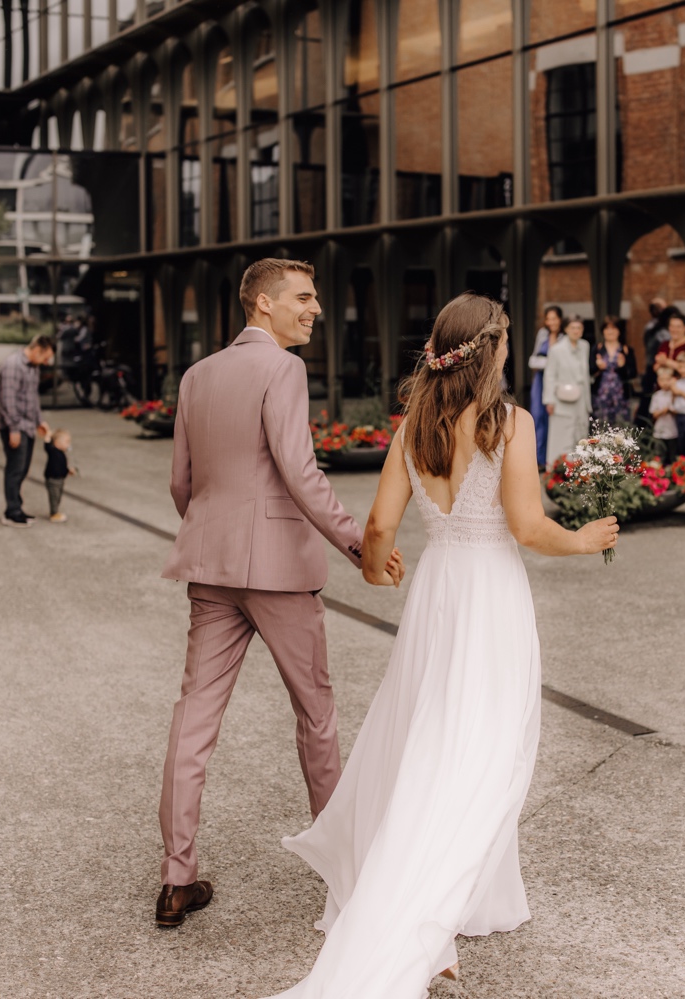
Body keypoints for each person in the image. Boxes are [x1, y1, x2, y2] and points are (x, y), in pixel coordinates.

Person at [267, 293, 617, 998]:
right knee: (483, 749)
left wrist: (376, 569)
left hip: (436, 593)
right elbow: (526, 524)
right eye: (508, 340)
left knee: (432, 736)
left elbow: (378, 528)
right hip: (488, 594)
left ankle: (475, 894)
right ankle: (428, 909)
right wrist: (584, 540)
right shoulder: (508, 423)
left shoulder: (414, 425)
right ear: (490, 350)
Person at [155, 258, 404, 928]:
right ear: (262, 303)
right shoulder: (283, 370)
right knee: (316, 716)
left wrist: (214, 530)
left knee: (194, 718)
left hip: (210, 568)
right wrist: (361, 545)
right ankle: (345, 875)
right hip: (278, 575)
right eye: (304, 296)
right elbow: (299, 470)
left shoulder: (198, 375)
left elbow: (182, 483)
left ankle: (177, 877)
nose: (316, 307)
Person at [0, 334, 55, 527]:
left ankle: (17, 507)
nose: (46, 362)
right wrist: (13, 429)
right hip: (14, 427)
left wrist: (39, 420)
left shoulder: (33, 367)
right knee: (15, 468)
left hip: (27, 425)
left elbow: (32, 397)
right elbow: (8, 400)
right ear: (37, 350)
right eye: (45, 357)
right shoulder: (13, 365)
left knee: (23, 468)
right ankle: (11, 512)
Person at [542, 316, 592, 468]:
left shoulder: (585, 346)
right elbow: (550, 375)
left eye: (579, 328)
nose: (576, 331)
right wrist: (549, 400)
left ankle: (580, 471)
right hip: (562, 400)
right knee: (560, 436)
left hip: (581, 398)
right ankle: (558, 471)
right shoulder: (556, 349)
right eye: (573, 328)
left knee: (580, 435)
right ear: (566, 329)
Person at [528, 305, 563, 468]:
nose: (551, 322)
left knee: (554, 419)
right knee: (537, 417)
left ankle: (553, 459)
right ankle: (538, 459)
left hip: (557, 383)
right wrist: (550, 363)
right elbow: (533, 360)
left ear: (560, 320)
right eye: (548, 318)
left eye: (554, 318)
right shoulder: (542, 334)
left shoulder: (564, 337)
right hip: (540, 382)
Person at [591, 315, 635, 425]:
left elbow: (633, 373)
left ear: (619, 331)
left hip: (620, 395)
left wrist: (622, 366)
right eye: (607, 328)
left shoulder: (626, 350)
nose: (610, 331)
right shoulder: (597, 349)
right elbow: (590, 370)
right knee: (601, 426)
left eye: (613, 328)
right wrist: (598, 367)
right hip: (601, 395)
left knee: (621, 426)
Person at [41, 427, 76, 523]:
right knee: (54, 496)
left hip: (60, 479)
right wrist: (48, 435)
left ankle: (55, 511)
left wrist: (68, 470)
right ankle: (54, 513)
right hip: (53, 479)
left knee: (58, 496)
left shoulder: (62, 453)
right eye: (67, 442)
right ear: (57, 443)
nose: (69, 445)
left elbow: (61, 465)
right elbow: (47, 445)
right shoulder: (53, 451)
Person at [653, 311, 685, 377]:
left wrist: (666, 361)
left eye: (678, 327)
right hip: (664, 383)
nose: (674, 330)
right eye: (672, 326)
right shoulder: (665, 344)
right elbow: (655, 367)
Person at [649, 369, 680, 460]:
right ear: (658, 381)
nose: (665, 383)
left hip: (673, 430)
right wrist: (664, 411)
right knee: (659, 456)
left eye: (668, 380)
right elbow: (654, 414)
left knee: (672, 457)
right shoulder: (656, 396)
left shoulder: (675, 394)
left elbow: (678, 411)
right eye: (662, 380)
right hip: (659, 431)